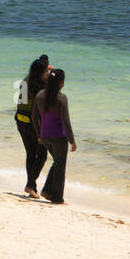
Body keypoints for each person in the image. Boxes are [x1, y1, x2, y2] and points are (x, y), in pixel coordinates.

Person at [33, 69, 76, 204]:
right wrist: (72, 140)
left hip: (45, 136)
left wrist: (38, 133)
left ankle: (47, 190)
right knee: (60, 166)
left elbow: (34, 117)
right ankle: (57, 197)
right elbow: (66, 121)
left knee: (57, 162)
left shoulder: (39, 95)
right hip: (59, 137)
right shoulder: (61, 98)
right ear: (61, 83)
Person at [16, 58, 50, 198]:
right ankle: (30, 184)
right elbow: (42, 109)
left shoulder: (25, 82)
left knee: (30, 153)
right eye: (46, 71)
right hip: (34, 123)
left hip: (20, 120)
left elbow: (21, 102)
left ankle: (32, 188)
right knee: (42, 155)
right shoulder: (43, 86)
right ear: (42, 72)